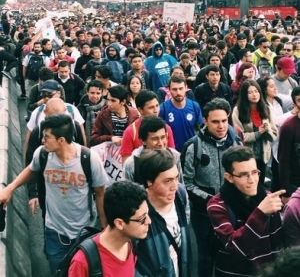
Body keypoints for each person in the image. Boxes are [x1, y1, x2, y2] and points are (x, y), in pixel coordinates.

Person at [0, 114, 108, 275]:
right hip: (54, 232)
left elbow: (100, 193)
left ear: (61, 140)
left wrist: (104, 228)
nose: (43, 141)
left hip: (85, 232)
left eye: (47, 137)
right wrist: (10, 188)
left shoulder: (89, 159)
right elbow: (32, 169)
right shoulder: (42, 154)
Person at [183, 98, 241, 277]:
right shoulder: (193, 147)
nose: (221, 126)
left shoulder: (236, 142)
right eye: (215, 121)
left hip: (232, 212)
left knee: (231, 254)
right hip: (203, 215)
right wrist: (211, 200)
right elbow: (186, 183)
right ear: (205, 121)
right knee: (206, 258)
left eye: (224, 120)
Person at [207, 146, 284, 277]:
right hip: (233, 273)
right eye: (243, 175)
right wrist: (260, 212)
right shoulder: (217, 205)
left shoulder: (268, 198)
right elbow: (235, 248)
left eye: (255, 172)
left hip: (266, 272)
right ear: (229, 177)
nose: (252, 180)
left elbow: (278, 245)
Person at [68, 181, 150, 277]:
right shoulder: (83, 261)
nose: (149, 221)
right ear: (119, 223)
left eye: (147, 214)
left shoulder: (131, 244)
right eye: (142, 218)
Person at [134, 148, 192, 277]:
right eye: (167, 181)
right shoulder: (136, 209)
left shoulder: (180, 195)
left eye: (176, 178)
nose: (175, 186)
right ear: (149, 182)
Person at [26, 97, 86, 218]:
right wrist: (33, 194)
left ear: (65, 111)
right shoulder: (38, 132)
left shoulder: (75, 128)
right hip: (47, 193)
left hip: (74, 191)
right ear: (45, 113)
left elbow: (84, 155)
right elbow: (30, 164)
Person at [232, 80, 277, 184]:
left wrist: (267, 129)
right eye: (250, 92)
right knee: (248, 183)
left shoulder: (266, 109)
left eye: (256, 91)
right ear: (244, 94)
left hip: (263, 155)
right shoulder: (238, 110)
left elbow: (274, 135)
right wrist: (257, 134)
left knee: (260, 184)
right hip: (246, 155)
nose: (254, 95)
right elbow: (238, 136)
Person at [258, 76, 294, 191]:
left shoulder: (278, 99)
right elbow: (275, 121)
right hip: (271, 142)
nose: (275, 88)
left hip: (281, 140)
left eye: (275, 85)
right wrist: (293, 112)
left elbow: (292, 98)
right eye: (271, 86)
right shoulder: (263, 105)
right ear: (264, 90)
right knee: (277, 173)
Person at [120, 89, 175, 164]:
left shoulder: (166, 128)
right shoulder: (130, 132)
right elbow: (126, 164)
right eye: (151, 107)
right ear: (140, 110)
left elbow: (172, 156)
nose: (156, 110)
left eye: (157, 106)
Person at [123, 116, 182, 183]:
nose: (160, 143)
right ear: (143, 140)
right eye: (155, 139)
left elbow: (180, 186)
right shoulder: (132, 164)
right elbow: (126, 192)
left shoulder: (174, 156)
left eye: (163, 137)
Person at [159, 75, 202, 152]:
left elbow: (201, 130)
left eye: (181, 88)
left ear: (186, 88)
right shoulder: (163, 109)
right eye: (174, 89)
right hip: (173, 153)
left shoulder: (194, 106)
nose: (178, 92)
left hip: (192, 152)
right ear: (169, 90)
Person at [277, 86, 300, 204]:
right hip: (295, 183)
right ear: (295, 104)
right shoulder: (288, 127)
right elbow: (283, 160)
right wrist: (286, 191)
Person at [77, 80, 106, 146]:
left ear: (102, 93)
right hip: (83, 143)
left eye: (98, 93)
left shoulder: (106, 107)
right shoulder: (80, 107)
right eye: (92, 93)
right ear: (87, 92)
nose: (95, 96)